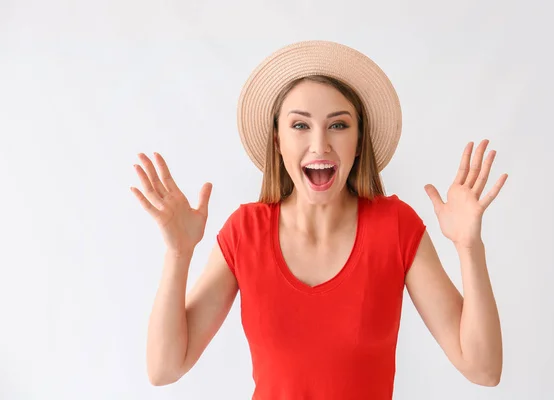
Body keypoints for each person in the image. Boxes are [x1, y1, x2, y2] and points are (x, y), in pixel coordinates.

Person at [131, 40, 507, 399]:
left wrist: (468, 247)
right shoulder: (245, 233)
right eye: (300, 125)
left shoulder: (395, 227)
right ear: (277, 141)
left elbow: (483, 369)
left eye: (339, 125)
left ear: (359, 143)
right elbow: (164, 369)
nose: (320, 144)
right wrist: (178, 255)